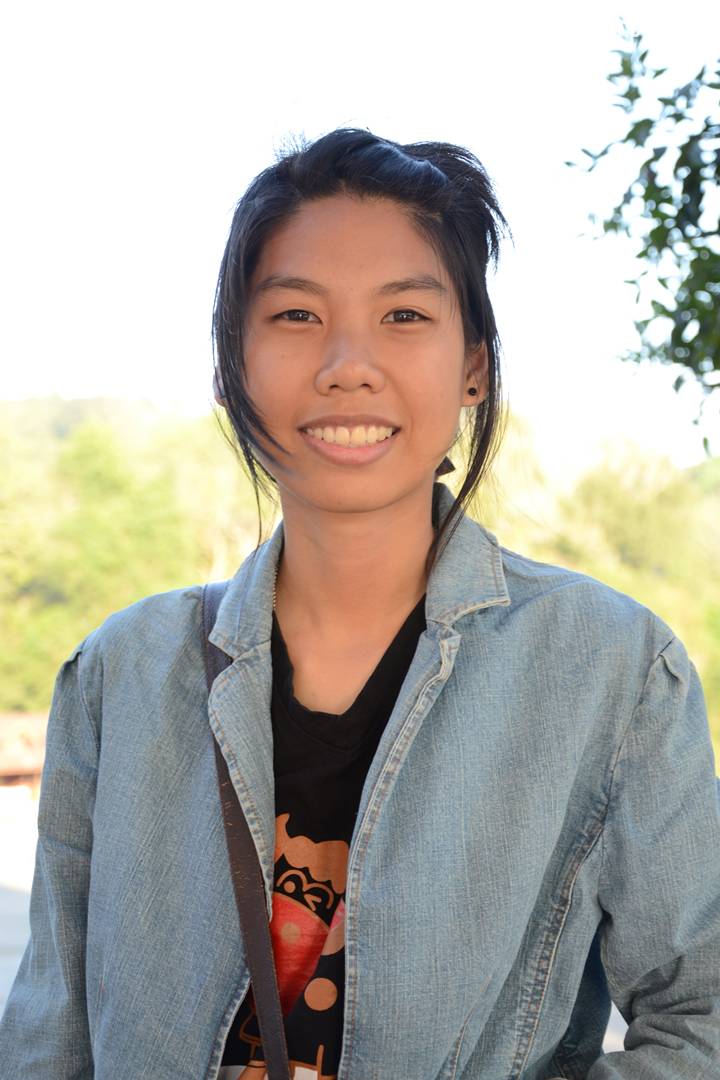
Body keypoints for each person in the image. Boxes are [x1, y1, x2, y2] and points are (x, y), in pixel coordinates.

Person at [1, 127, 718, 1080]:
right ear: (231, 366)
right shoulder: (121, 674)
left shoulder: (613, 670)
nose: (348, 363)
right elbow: (50, 1040)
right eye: (296, 315)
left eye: (404, 316)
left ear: (474, 366)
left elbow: (702, 1019)